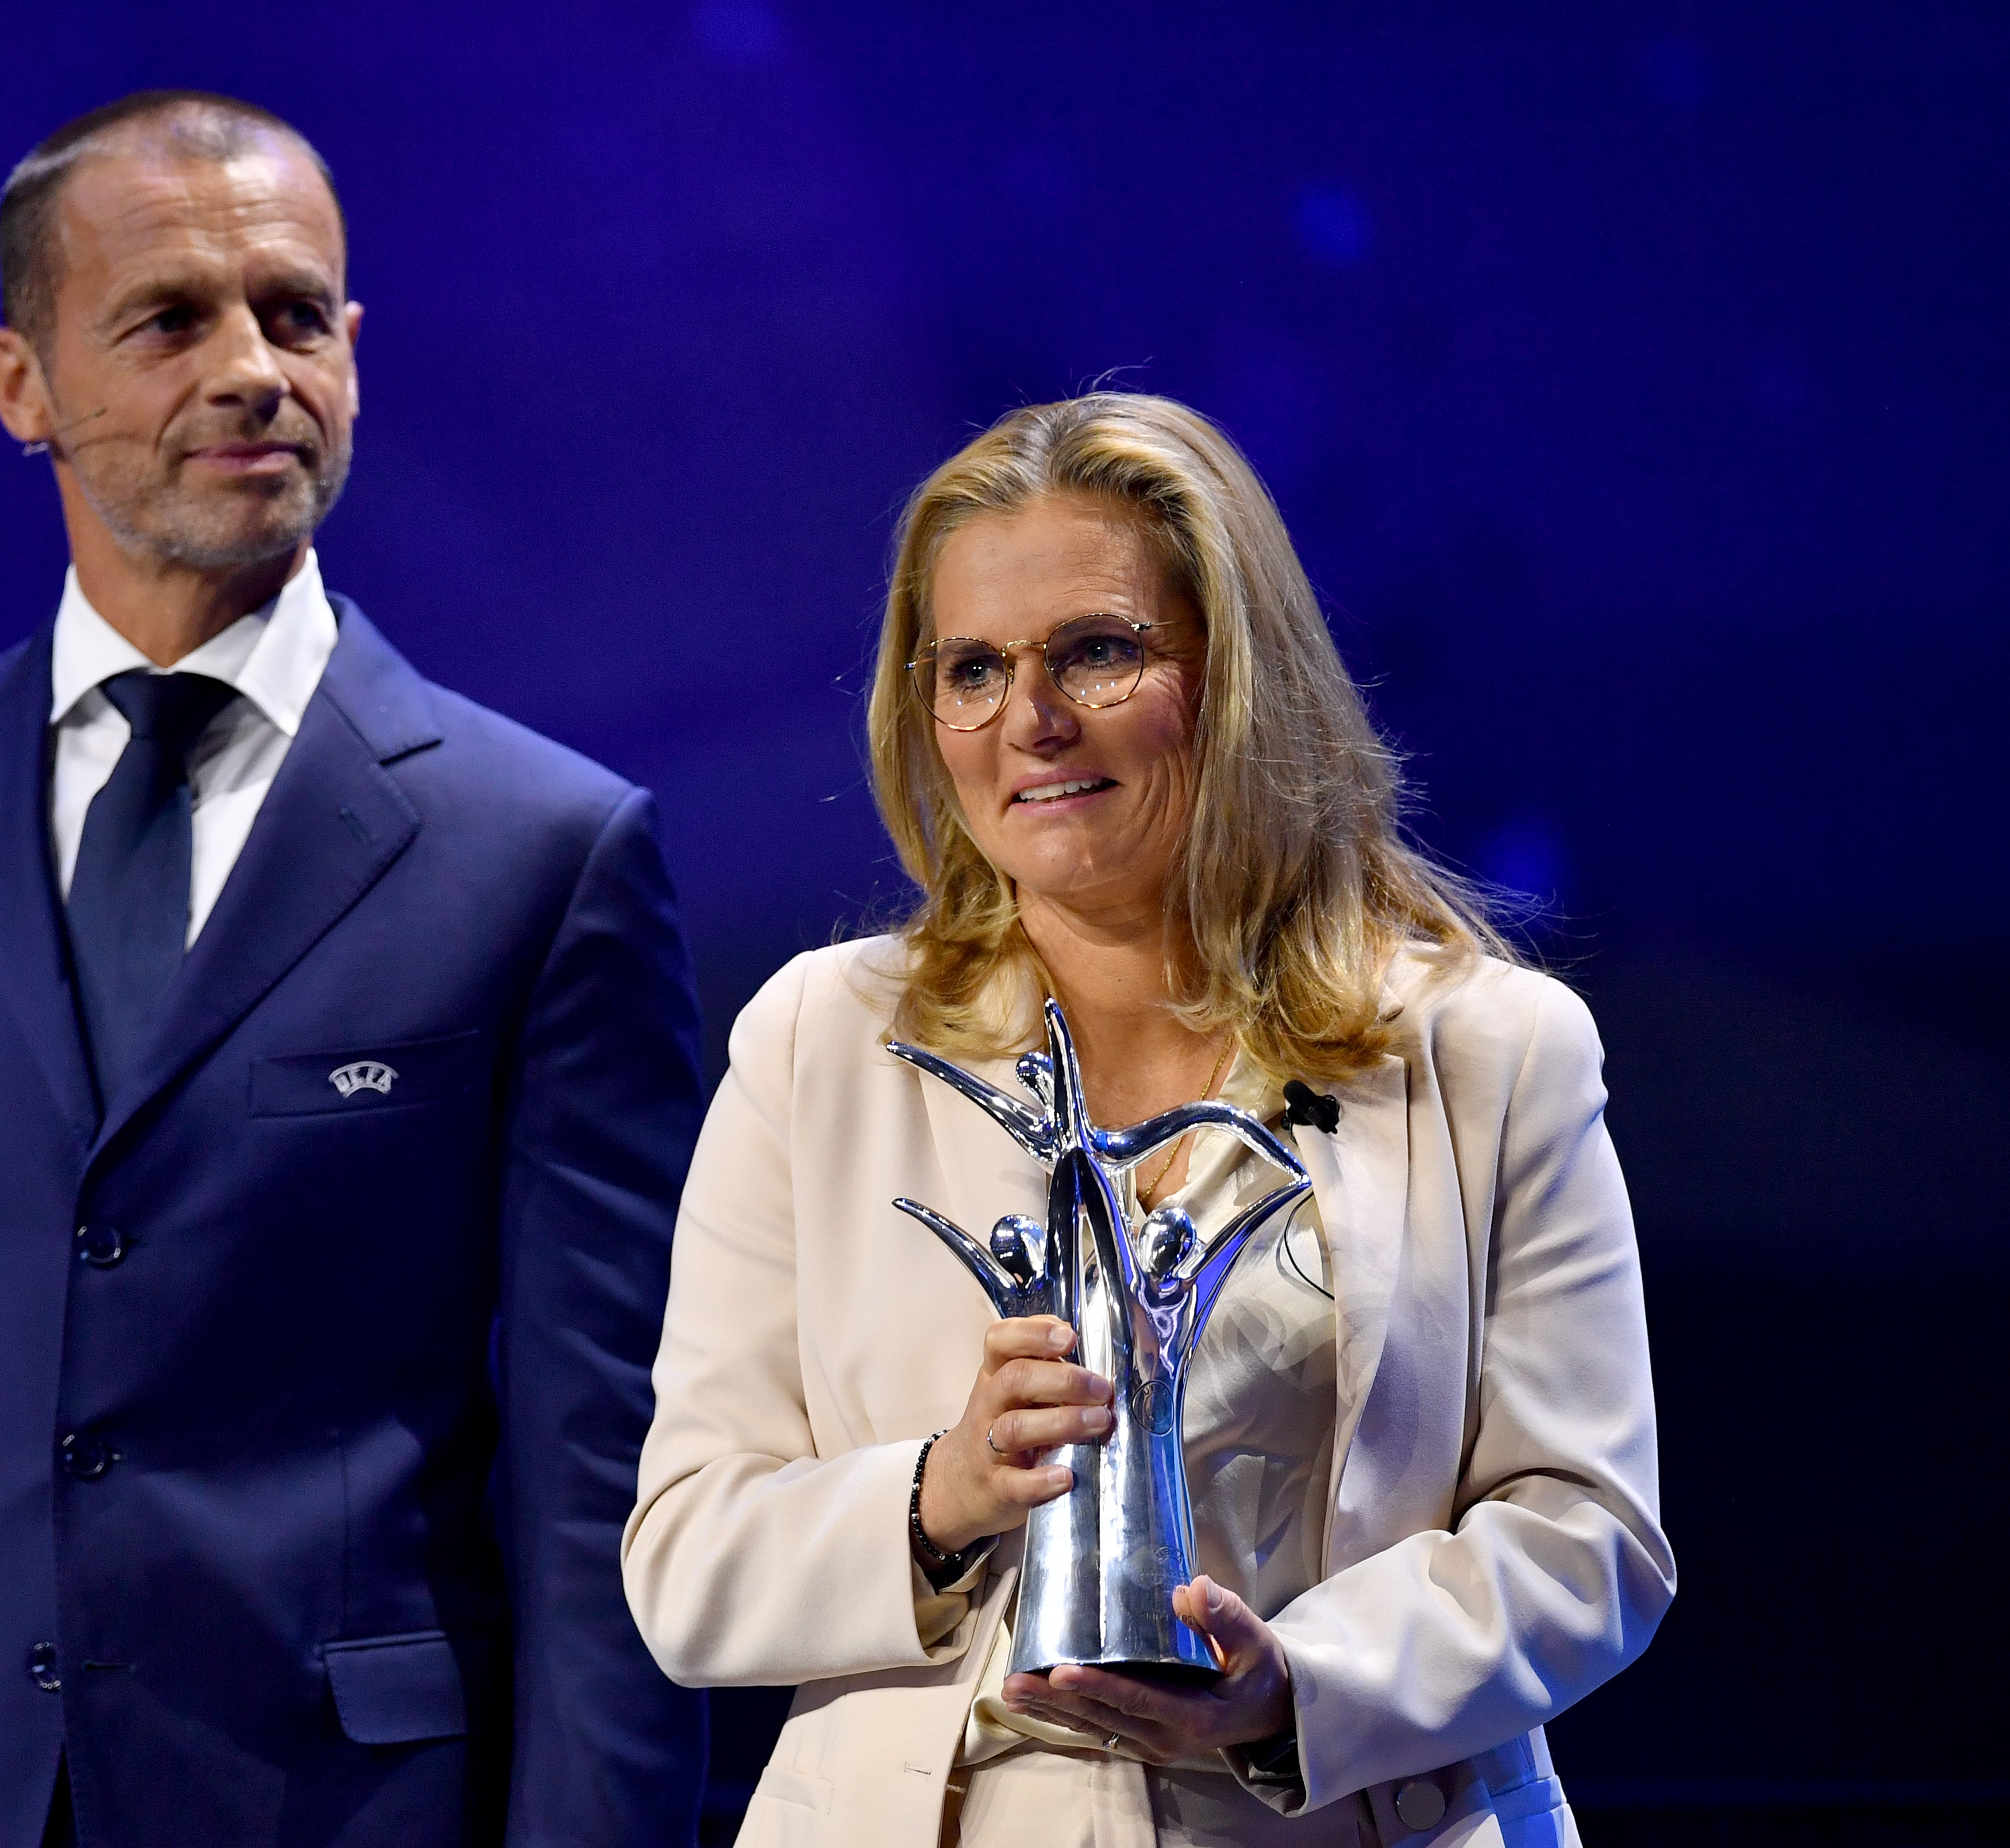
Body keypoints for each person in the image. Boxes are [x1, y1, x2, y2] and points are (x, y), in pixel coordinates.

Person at [0, 91, 708, 1848]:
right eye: (172, 319)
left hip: (328, 1806)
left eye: (297, 312)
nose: (253, 368)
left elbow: (602, 1474)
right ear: (19, 385)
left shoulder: (543, 849)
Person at [621, 393, 1673, 1846]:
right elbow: (685, 1560)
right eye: (973, 669)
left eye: (1099, 652)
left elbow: (1587, 1539)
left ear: (1236, 672)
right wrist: (943, 1489)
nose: (1031, 722)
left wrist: (1298, 1686)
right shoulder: (821, 1041)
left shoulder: (1487, 1052)